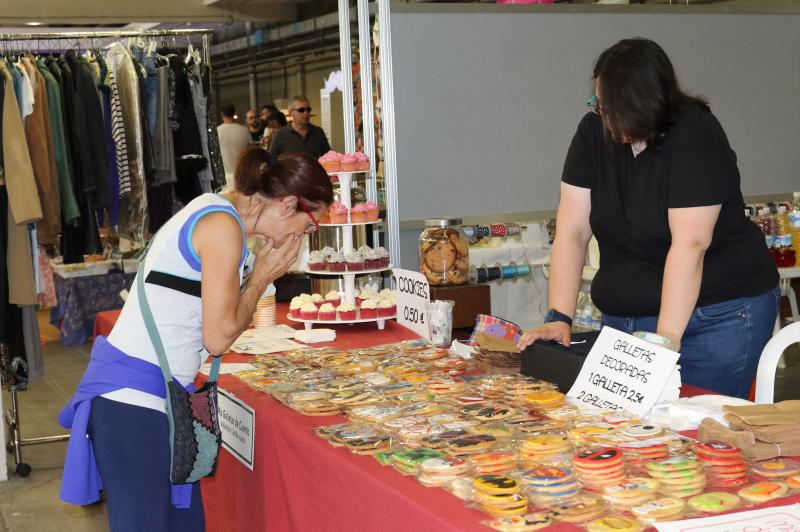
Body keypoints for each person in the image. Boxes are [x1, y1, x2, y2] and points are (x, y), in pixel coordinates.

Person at [58, 147, 333, 531]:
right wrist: (260, 279)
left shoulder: (216, 210)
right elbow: (218, 337)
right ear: (288, 205)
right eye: (309, 227)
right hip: (135, 404)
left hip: (156, 401)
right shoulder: (223, 227)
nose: (301, 238)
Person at [517, 38, 779, 399]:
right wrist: (559, 317)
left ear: (649, 103)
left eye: (615, 110)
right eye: (600, 107)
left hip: (717, 314)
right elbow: (573, 231)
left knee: (696, 433)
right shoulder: (592, 132)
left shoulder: (695, 135)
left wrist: (664, 341)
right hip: (629, 314)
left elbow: (690, 245)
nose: (607, 120)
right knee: (628, 438)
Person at [216, 104, 251, 185]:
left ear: (221, 114)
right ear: (234, 113)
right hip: (242, 174)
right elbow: (250, 150)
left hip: (224, 175)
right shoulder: (244, 130)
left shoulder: (217, 131)